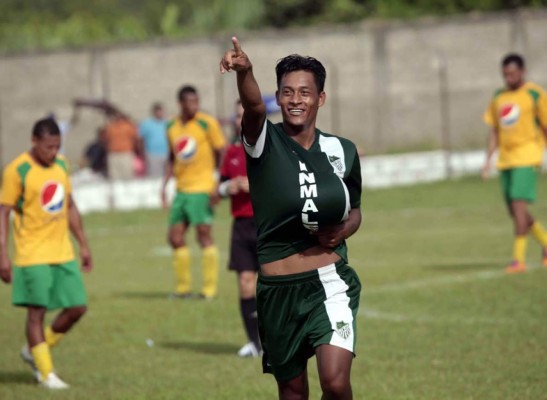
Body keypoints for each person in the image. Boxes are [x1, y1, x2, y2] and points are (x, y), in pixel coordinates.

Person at [220, 38, 362, 400]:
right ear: (278, 98)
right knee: (293, 391)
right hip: (277, 293)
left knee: (335, 382)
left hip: (328, 283)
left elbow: (356, 208)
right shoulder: (263, 141)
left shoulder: (342, 150)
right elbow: (252, 107)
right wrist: (246, 71)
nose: (296, 99)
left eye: (304, 92)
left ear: (321, 98)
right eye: (287, 92)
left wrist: (344, 228)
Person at [0, 118, 93, 389]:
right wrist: (2, 254)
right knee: (36, 313)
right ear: (34, 142)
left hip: (62, 251)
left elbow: (70, 206)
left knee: (77, 307)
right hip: (32, 253)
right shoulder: (17, 170)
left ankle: (34, 351)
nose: (53, 153)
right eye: (48, 148)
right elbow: (3, 211)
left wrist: (84, 244)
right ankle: (46, 374)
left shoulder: (61, 165)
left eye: (57, 147)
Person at [482, 53, 547, 274]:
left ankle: (518, 260)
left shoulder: (534, 94)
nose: (508, 78)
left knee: (519, 207)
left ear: (522, 71)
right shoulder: (499, 96)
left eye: (512, 74)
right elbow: (494, 131)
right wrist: (488, 160)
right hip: (506, 160)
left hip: (527, 156)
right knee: (514, 211)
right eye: (505, 75)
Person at [161, 85, 226, 299]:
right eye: (189, 102)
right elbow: (172, 157)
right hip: (181, 190)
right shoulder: (171, 125)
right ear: (180, 103)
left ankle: (208, 290)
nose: (193, 106)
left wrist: (217, 182)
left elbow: (222, 152)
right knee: (175, 237)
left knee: (204, 236)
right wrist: (164, 185)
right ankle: (183, 289)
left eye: (196, 101)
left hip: (202, 188)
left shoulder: (207, 123)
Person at [218, 99, 262, 357]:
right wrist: (228, 188)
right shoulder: (231, 152)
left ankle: (277, 341)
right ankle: (254, 343)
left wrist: (255, 186)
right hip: (242, 227)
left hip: (268, 224)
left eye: (245, 114)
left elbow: (284, 186)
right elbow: (219, 187)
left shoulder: (270, 148)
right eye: (237, 116)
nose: (241, 120)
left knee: (272, 287)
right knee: (246, 284)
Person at [104, 111, 140, 180]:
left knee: (127, 175)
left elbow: (135, 139)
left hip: (125, 154)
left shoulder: (128, 126)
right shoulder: (110, 126)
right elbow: (105, 139)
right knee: (114, 176)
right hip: (113, 154)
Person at [139, 102, 169, 178]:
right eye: (158, 111)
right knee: (155, 176)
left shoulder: (167, 123)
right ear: (154, 112)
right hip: (153, 154)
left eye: (161, 111)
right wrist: (143, 152)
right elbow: (141, 139)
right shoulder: (146, 124)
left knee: (167, 175)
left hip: (166, 154)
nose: (160, 113)